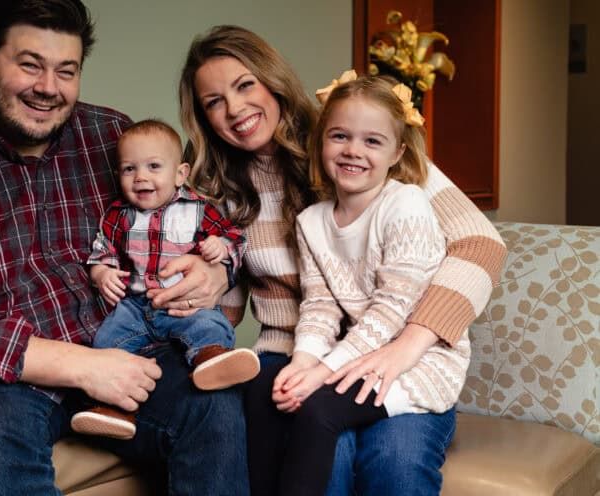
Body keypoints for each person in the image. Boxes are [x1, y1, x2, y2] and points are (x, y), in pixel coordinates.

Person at [0, 2, 248, 495]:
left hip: (123, 344)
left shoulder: (113, 136)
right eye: (30, 64)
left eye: (66, 71)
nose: (48, 87)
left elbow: (193, 218)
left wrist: (218, 273)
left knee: (214, 406)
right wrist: (85, 366)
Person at [178, 25, 507, 496]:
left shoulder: (357, 139)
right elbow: (227, 309)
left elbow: (481, 245)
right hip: (293, 355)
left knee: (394, 464)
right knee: (320, 457)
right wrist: (203, 289)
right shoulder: (218, 191)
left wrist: (408, 345)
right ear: (204, 117)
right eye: (213, 101)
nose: (234, 109)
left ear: (272, 81)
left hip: (399, 351)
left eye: (245, 85)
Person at [246, 71, 471, 496]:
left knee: (319, 412)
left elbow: (394, 308)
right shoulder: (311, 222)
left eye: (372, 141)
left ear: (397, 152)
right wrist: (302, 364)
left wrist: (323, 373)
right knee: (271, 393)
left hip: (417, 366)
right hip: (358, 359)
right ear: (321, 143)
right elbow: (320, 307)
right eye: (340, 136)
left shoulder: (405, 204)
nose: (353, 151)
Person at [70, 119, 258, 440]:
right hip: (135, 307)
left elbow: (236, 239)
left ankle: (211, 360)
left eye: (153, 166)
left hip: (181, 303)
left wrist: (220, 246)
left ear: (180, 174)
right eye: (129, 169)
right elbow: (103, 249)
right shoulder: (118, 215)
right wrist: (102, 273)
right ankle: (116, 409)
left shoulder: (198, 210)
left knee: (207, 325)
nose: (141, 177)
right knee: (106, 342)